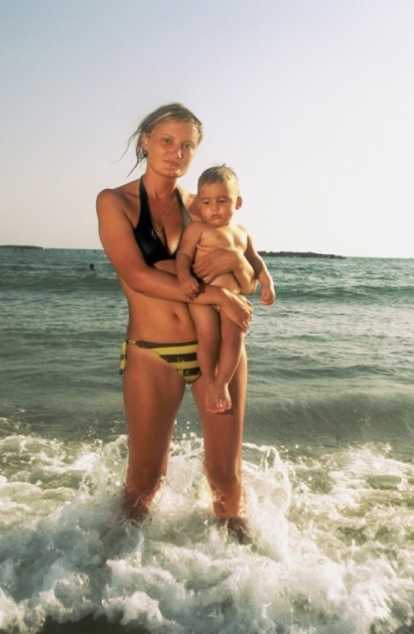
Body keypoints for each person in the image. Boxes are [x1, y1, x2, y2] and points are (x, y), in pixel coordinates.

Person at [96, 103, 256, 537]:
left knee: (226, 477)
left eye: (187, 145)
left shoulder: (202, 206)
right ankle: (105, 576)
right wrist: (219, 295)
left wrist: (234, 265)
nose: (176, 152)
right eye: (167, 141)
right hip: (153, 352)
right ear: (145, 140)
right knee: (144, 482)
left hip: (219, 350)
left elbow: (247, 276)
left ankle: (244, 580)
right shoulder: (116, 202)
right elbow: (137, 275)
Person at [176, 166, 274, 414]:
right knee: (208, 337)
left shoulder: (243, 233)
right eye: (207, 202)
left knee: (234, 338)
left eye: (222, 201)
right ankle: (209, 382)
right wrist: (185, 276)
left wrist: (267, 283)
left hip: (233, 298)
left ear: (238, 202)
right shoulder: (197, 229)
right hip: (204, 298)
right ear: (198, 205)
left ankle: (222, 384)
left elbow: (255, 261)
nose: (214, 208)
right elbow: (184, 255)